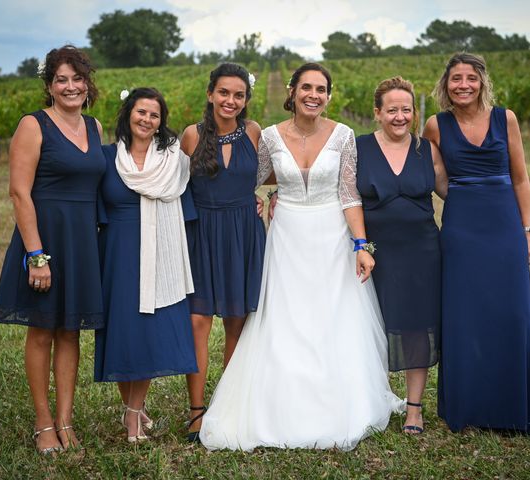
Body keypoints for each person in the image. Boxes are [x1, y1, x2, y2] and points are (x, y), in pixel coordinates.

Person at [199, 63, 404, 451]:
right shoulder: (270, 136)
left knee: (332, 319)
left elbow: (348, 194)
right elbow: (248, 178)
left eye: (321, 89)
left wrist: (361, 245)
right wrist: (267, 198)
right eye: (306, 87)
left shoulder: (343, 135)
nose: (314, 95)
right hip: (287, 236)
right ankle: (280, 403)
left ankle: (336, 401)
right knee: (284, 318)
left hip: (331, 237)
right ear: (292, 92)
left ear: (329, 95)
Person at [423, 52, 530, 434]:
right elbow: (437, 179)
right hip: (461, 230)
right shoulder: (435, 126)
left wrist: (528, 231)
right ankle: (470, 406)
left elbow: (521, 179)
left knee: (513, 313)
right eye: (456, 78)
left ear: (482, 82)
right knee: (465, 315)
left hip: (505, 226)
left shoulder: (505, 119)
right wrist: (461, 195)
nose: (463, 85)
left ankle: (514, 403)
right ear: (446, 83)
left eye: (470, 78)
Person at [0, 45, 105, 454]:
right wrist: (35, 255)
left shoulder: (94, 127)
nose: (70, 86)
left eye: (77, 78)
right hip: (44, 240)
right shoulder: (33, 125)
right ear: (50, 85)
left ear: (87, 83)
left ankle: (65, 421)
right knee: (42, 330)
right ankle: (43, 425)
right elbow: (19, 193)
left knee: (70, 331)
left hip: (81, 242)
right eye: (62, 79)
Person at [94, 88, 198, 442]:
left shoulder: (173, 161)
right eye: (141, 112)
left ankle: (135, 413)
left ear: (160, 122)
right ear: (128, 114)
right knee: (124, 333)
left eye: (154, 115)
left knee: (147, 332)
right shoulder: (107, 158)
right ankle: (130, 407)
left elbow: (193, 205)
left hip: (159, 252)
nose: (147, 120)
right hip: (118, 253)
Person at [180, 63, 266, 442]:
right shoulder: (191, 136)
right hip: (203, 234)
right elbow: (177, 188)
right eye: (224, 93)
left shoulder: (253, 132)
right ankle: (197, 411)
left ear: (246, 99)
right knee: (198, 322)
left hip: (245, 232)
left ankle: (228, 406)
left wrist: (273, 197)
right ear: (210, 93)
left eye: (238, 95)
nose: (230, 101)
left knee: (237, 322)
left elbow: (270, 174)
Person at [356, 76, 447, 434]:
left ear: (414, 112)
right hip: (373, 254)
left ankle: (414, 408)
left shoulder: (428, 150)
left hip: (421, 252)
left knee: (415, 327)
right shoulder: (359, 147)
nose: (399, 116)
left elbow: (452, 193)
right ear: (377, 113)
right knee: (368, 325)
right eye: (391, 110)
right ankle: (370, 400)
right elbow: (339, 194)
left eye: (405, 110)